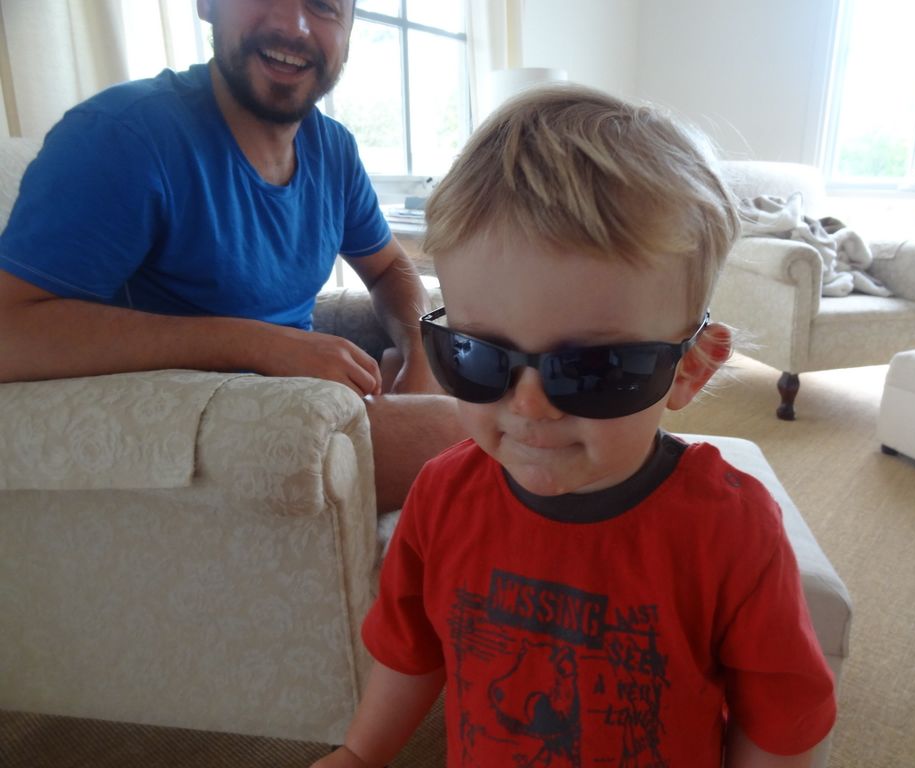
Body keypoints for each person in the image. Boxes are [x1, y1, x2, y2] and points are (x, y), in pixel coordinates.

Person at [314, 85, 837, 768]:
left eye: (595, 369)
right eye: (477, 355)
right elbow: (413, 652)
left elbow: (778, 726)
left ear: (690, 368)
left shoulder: (732, 530)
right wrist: (360, 753)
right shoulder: (441, 497)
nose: (530, 406)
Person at [0, 0, 464, 512]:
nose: (293, 25)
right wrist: (257, 344)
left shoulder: (333, 149)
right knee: (476, 437)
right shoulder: (121, 136)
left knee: (490, 377)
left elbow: (390, 268)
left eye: (324, 5)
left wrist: (420, 350)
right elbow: (9, 332)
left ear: (349, 32)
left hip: (305, 411)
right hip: (199, 438)